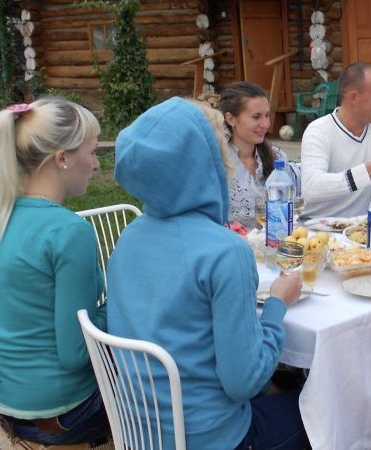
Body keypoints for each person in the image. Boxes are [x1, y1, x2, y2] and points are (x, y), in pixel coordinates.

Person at [107, 97, 308, 450]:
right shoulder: (225, 251)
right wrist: (277, 303)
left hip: (143, 429)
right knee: (326, 405)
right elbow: (243, 383)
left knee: (281, 386)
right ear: (205, 164)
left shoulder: (130, 236)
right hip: (213, 438)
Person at [0, 98, 110, 445]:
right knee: (173, 396)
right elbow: (76, 354)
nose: (96, 164)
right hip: (62, 411)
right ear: (62, 159)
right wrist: (125, 298)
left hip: (6, 399)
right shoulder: (69, 231)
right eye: (92, 152)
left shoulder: (2, 218)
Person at [301, 63, 371, 218]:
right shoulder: (319, 131)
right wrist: (370, 170)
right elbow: (311, 189)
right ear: (353, 97)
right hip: (318, 230)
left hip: (359, 228)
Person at [218, 82, 290, 229]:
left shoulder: (278, 157)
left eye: (267, 116)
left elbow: (290, 210)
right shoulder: (216, 163)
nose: (265, 124)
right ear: (231, 119)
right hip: (230, 247)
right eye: (256, 117)